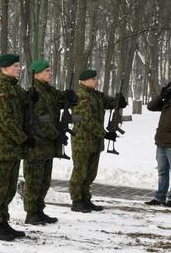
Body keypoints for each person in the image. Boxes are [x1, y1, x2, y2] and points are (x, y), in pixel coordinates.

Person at [22, 59, 78, 224]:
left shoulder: (49, 90)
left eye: (50, 70)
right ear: (37, 74)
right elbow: (41, 119)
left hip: (48, 145)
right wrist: (56, 135)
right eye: (47, 71)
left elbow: (62, 99)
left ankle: (39, 210)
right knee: (33, 180)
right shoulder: (34, 92)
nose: (50, 73)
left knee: (44, 181)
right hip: (37, 144)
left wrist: (71, 97)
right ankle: (31, 213)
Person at [0, 54, 31, 241]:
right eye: (14, 66)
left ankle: (3, 221)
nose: (18, 68)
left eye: (19, 65)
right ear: (4, 68)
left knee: (9, 187)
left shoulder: (15, 89)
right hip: (1, 147)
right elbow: (5, 119)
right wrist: (23, 138)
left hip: (12, 148)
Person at [69, 69, 124, 212]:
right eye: (93, 79)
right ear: (84, 81)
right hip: (82, 141)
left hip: (94, 142)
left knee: (90, 173)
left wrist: (119, 101)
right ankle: (76, 201)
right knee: (80, 173)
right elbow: (86, 120)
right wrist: (104, 134)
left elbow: (109, 102)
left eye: (96, 79)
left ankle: (85, 199)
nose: (96, 81)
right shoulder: (81, 96)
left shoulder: (95, 95)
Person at [145, 81, 171, 206]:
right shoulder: (167, 101)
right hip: (161, 142)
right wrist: (162, 94)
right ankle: (160, 197)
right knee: (162, 171)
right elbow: (150, 106)